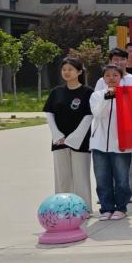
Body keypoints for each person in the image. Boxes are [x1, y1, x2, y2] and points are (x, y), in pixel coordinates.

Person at [43, 58, 94, 209]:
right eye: (64, 69)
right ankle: (62, 208)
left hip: (81, 141)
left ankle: (83, 208)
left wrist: (73, 139)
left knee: (81, 176)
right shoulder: (56, 92)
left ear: (79, 72)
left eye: (70, 69)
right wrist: (57, 135)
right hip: (59, 141)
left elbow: (89, 116)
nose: (66, 72)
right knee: (62, 177)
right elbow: (49, 114)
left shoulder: (88, 92)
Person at [89, 64, 132, 220]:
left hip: (121, 144)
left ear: (121, 77)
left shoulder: (128, 95)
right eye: (107, 75)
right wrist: (108, 98)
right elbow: (98, 114)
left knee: (122, 179)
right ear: (103, 78)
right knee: (102, 179)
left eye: (115, 75)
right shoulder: (97, 95)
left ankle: (121, 207)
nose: (111, 78)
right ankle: (106, 208)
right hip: (99, 143)